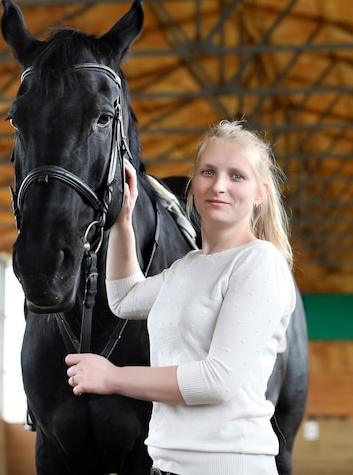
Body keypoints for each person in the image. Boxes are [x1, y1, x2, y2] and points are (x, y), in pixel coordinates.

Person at [66, 119, 296, 475]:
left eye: (237, 176)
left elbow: (217, 380)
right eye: (208, 171)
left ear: (260, 193)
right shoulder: (187, 267)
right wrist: (123, 222)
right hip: (166, 466)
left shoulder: (259, 263)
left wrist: (113, 377)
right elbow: (125, 298)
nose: (218, 185)